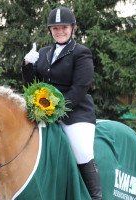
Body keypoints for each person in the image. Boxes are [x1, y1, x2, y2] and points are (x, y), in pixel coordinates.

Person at [21, 7, 102, 200]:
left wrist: (55, 110)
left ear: (72, 28)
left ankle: (96, 196)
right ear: (50, 31)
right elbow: (32, 85)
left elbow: (80, 88)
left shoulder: (82, 53)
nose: (60, 31)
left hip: (76, 113)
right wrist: (27, 65)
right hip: (44, 111)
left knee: (81, 150)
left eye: (64, 27)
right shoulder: (43, 52)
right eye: (55, 28)